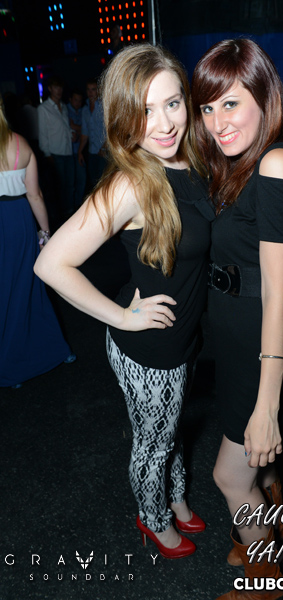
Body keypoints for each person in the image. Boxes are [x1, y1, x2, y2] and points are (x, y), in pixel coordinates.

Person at [35, 44, 213, 559]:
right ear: (123, 117)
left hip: (183, 335)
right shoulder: (130, 183)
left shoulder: (191, 158)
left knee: (172, 430)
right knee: (153, 443)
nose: (164, 124)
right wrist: (121, 317)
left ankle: (175, 499)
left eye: (172, 103)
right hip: (148, 347)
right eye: (145, 111)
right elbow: (51, 264)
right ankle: (152, 519)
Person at [192, 39, 283, 598]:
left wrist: (267, 407)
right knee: (257, 467)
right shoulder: (241, 162)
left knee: (228, 474)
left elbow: (278, 295)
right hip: (240, 342)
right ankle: (268, 523)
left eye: (231, 103)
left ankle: (265, 581)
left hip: (268, 348)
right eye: (207, 107)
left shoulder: (277, 163)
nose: (217, 122)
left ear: (265, 98)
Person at [0, 94, 75, 389]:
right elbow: (35, 195)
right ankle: (54, 350)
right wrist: (45, 232)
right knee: (27, 289)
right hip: (19, 220)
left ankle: (9, 366)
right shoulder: (20, 143)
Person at [37, 76, 74, 220]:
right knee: (59, 187)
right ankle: (62, 216)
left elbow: (65, 127)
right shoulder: (43, 108)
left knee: (69, 185)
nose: (59, 90)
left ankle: (69, 212)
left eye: (60, 87)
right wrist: (47, 154)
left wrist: (72, 134)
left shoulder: (63, 106)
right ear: (50, 89)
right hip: (55, 153)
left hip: (68, 150)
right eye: (56, 87)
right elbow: (42, 133)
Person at [78, 78, 106, 190]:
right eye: (88, 90)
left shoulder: (104, 106)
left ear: (98, 90)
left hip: (105, 151)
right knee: (93, 182)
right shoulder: (85, 109)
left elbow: (111, 129)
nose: (90, 92)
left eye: (93, 89)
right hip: (92, 151)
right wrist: (80, 152)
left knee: (103, 183)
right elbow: (85, 133)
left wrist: (104, 147)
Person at [67, 89, 87, 208]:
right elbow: (71, 126)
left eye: (80, 100)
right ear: (70, 99)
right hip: (68, 151)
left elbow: (84, 128)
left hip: (80, 150)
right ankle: (70, 207)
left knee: (81, 179)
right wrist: (82, 129)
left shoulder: (82, 110)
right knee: (70, 181)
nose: (78, 103)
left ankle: (78, 205)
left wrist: (78, 128)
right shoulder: (65, 110)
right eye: (76, 100)